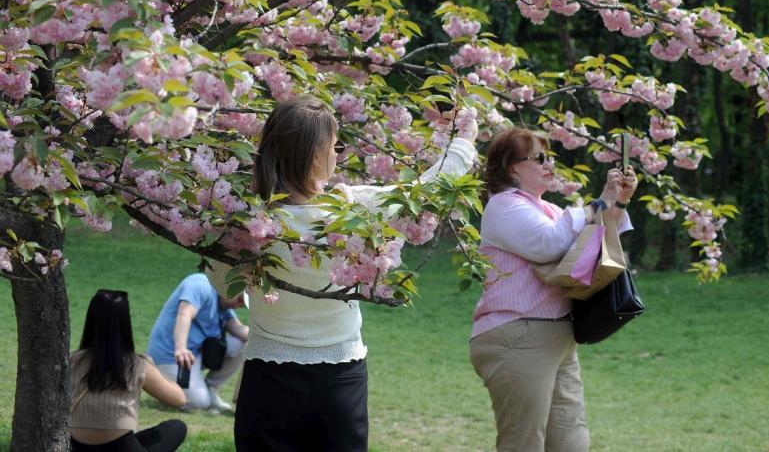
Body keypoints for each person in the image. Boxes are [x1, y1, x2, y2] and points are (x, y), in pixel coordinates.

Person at [206, 96, 477, 451]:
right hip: (339, 377)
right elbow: (425, 193)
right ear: (315, 154)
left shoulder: (244, 223)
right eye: (335, 146)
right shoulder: (348, 211)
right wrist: (463, 139)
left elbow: (224, 286)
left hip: (269, 377)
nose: (337, 154)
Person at [469, 127, 638, 452]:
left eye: (550, 157)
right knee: (523, 443)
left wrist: (618, 202)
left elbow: (595, 243)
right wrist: (600, 201)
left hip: (558, 336)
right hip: (518, 335)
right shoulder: (504, 207)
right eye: (539, 158)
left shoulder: (546, 210)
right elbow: (550, 244)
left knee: (572, 443)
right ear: (512, 167)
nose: (549, 164)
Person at [70, 289, 187, 452]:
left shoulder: (71, 361)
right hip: (123, 448)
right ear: (125, 323)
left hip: (76, 448)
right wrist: (151, 365)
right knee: (177, 427)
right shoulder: (137, 365)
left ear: (90, 320)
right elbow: (179, 399)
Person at [147, 273, 248, 412]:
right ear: (231, 285)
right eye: (240, 299)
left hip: (193, 356)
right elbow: (184, 314)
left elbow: (238, 329)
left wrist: (266, 341)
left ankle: (210, 389)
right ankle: (153, 379)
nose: (239, 305)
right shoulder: (201, 285)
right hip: (171, 356)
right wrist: (180, 348)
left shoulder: (224, 305)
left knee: (242, 344)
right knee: (199, 403)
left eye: (243, 305)